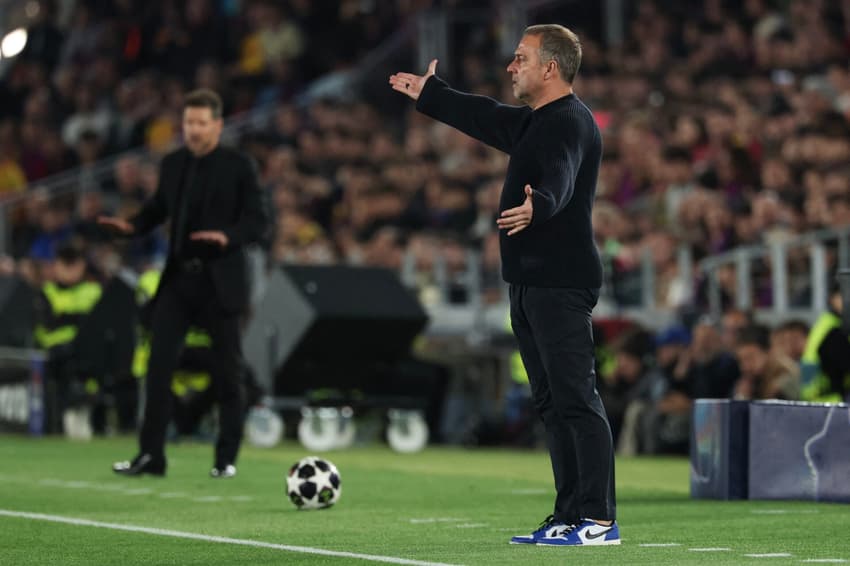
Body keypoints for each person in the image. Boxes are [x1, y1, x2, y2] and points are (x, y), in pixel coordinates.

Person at [390, 24, 619, 546]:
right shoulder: (538, 122)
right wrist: (434, 95)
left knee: (576, 400)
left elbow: (560, 176)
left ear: (550, 68)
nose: (511, 67)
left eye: (521, 58)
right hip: (529, 282)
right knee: (551, 403)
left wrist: (541, 205)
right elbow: (484, 116)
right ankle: (568, 513)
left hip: (561, 283)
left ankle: (600, 520)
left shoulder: (570, 123)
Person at [99, 88, 270, 478]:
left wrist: (228, 237)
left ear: (218, 125)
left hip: (220, 281)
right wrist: (131, 227)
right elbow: (158, 209)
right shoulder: (174, 163)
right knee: (158, 368)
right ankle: (150, 456)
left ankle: (225, 459)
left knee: (229, 372)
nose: (193, 130)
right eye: (188, 122)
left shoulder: (238, 165)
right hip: (179, 279)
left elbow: (259, 221)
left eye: (201, 123)